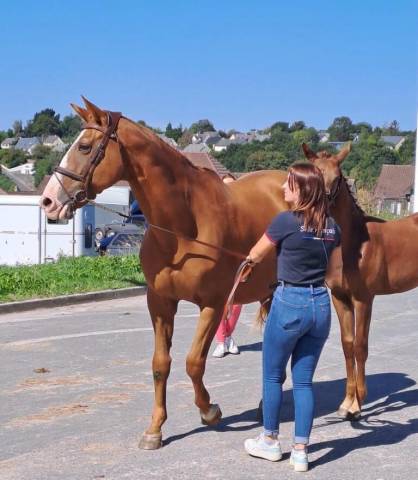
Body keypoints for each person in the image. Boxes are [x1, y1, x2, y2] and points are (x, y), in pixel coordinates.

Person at [243, 162, 341, 472]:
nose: (283, 189)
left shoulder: (284, 221)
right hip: (320, 305)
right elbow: (327, 263)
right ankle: (300, 451)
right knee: (303, 382)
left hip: (290, 303)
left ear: (302, 190)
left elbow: (255, 256)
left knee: (273, 375)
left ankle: (270, 441)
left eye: (289, 184)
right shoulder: (332, 227)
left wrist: (244, 263)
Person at [212, 173, 242, 358]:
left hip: (237, 263)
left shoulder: (242, 213)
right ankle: (222, 341)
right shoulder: (215, 212)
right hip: (219, 264)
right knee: (219, 304)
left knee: (237, 303)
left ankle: (227, 336)